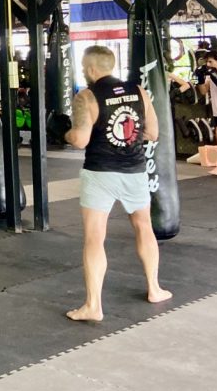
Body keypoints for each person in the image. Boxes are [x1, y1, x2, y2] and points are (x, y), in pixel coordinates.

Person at [47, 45, 172, 322]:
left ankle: (93, 306)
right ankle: (155, 288)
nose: (82, 71)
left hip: (100, 173)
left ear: (91, 69)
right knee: (144, 228)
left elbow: (80, 140)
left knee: (94, 237)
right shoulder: (138, 91)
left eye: (82, 67)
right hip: (135, 171)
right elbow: (152, 133)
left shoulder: (87, 96)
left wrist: (63, 132)